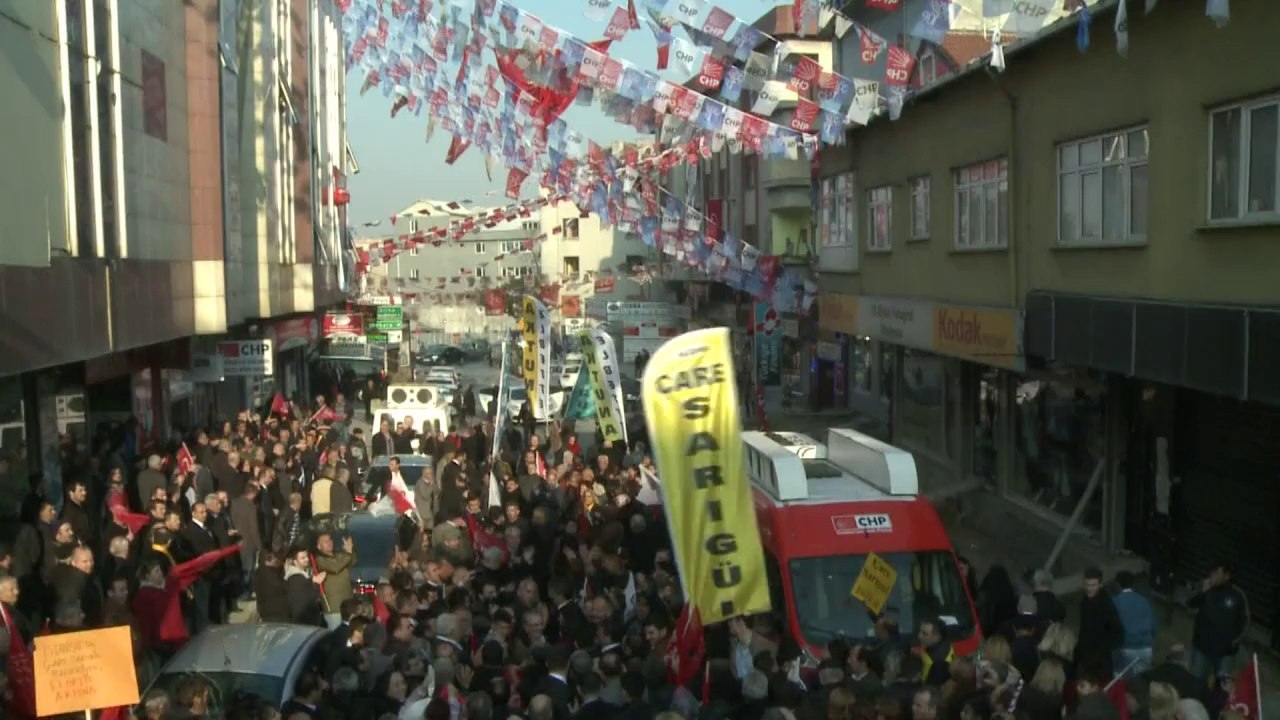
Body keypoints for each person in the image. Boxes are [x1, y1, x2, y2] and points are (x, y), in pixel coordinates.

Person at [1187, 560, 1249, 681]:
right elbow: (1190, 602)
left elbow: (1246, 622)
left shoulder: (1238, 595)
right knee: (1196, 683)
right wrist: (1203, 591)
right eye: (1212, 572)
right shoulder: (1206, 587)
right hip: (1202, 649)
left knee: (1221, 688)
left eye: (1217, 573)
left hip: (1225, 654)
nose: (1212, 575)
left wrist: (1232, 643)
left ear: (1226, 576)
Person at [1076, 567, 1123, 676]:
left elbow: (1117, 634)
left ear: (1100, 585)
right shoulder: (1085, 600)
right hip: (1087, 655)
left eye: (1093, 585)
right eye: (1087, 585)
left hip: (1100, 660)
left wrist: (1099, 653)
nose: (1089, 588)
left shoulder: (1106, 605)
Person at [1112, 570, 1156, 676]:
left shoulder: (1115, 602)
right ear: (1133, 584)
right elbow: (1153, 625)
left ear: (1117, 584)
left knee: (1122, 682)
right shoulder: (1144, 601)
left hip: (1126, 648)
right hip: (1146, 649)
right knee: (1141, 682)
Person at [314, 532, 355, 629]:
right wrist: (348, 554)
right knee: (335, 634)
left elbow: (352, 561)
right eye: (325, 541)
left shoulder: (340, 556)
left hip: (348, 603)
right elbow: (335, 568)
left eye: (330, 540)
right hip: (334, 607)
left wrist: (350, 550)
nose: (329, 542)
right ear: (319, 547)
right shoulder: (319, 560)